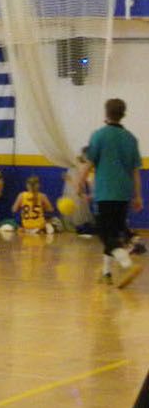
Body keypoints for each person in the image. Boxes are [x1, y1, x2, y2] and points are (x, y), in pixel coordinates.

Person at [84, 98, 144, 287]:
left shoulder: (99, 135)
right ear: (123, 114)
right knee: (114, 233)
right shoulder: (131, 139)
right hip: (123, 193)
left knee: (104, 233)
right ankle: (107, 273)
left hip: (105, 192)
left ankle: (127, 264)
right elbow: (135, 171)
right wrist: (138, 195)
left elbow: (89, 163)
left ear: (106, 113)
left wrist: (78, 183)